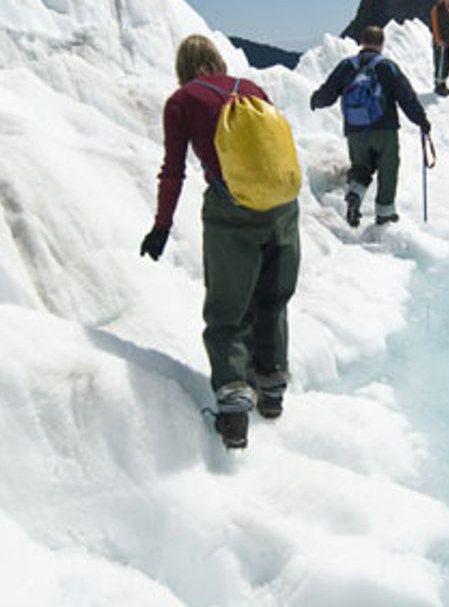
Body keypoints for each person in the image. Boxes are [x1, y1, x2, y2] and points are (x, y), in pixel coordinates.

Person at [140, 34, 300, 449]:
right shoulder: (251, 89)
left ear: (184, 67)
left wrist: (161, 227)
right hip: (282, 209)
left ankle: (232, 413)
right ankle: (272, 392)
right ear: (216, 60)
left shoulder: (182, 101)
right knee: (272, 300)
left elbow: (173, 171)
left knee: (228, 309)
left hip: (232, 215)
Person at [310, 25, 430, 227]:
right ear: (381, 44)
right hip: (385, 130)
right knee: (388, 170)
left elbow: (328, 93)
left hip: (355, 131)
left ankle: (355, 194)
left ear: (362, 42)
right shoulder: (387, 67)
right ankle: (384, 214)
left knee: (361, 168)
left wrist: (316, 100)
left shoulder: (347, 66)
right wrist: (422, 121)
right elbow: (406, 97)